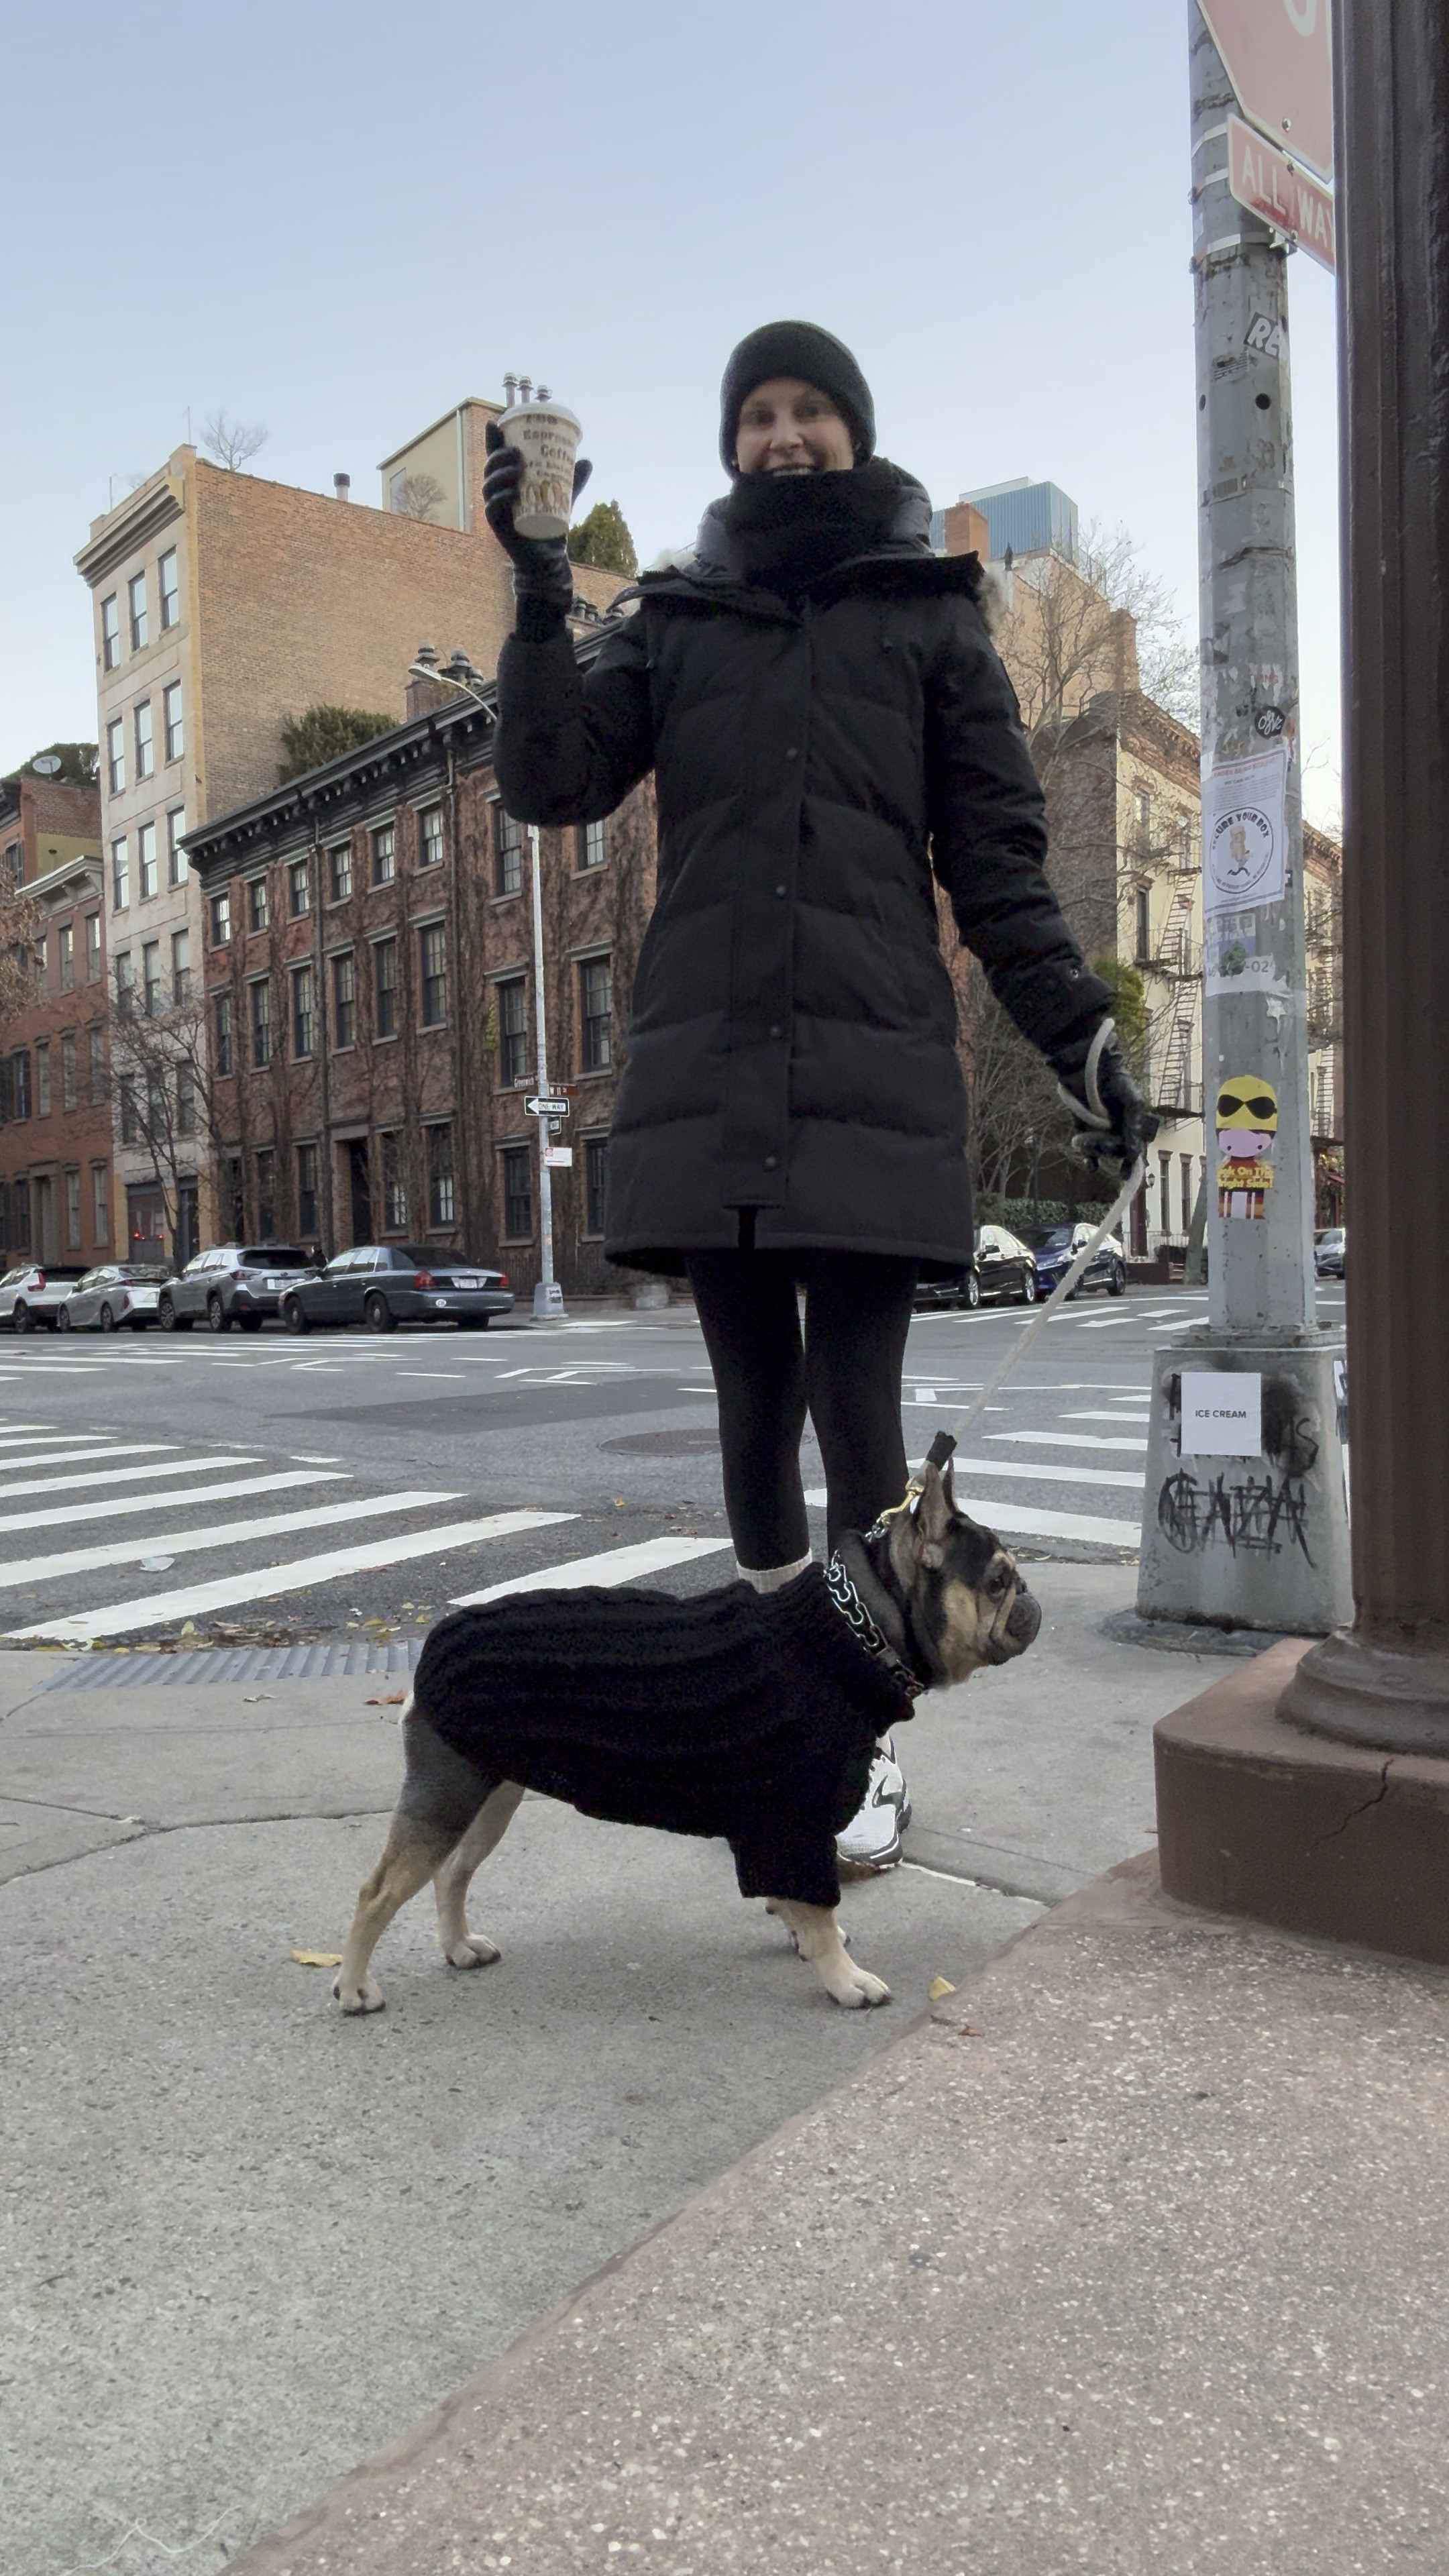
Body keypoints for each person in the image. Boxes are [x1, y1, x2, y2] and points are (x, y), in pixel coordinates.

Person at [484, 321, 1155, 1868]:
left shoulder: (933, 621)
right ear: (732, 442)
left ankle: (853, 1748)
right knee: (748, 1402)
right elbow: (549, 777)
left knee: (861, 1413)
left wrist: (1085, 1038)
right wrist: (534, 581)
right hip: (710, 1065)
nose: (784, 436)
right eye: (759, 415)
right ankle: (785, 1710)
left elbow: (998, 865)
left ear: (854, 431)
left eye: (811, 412)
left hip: (869, 1062)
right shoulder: (674, 619)